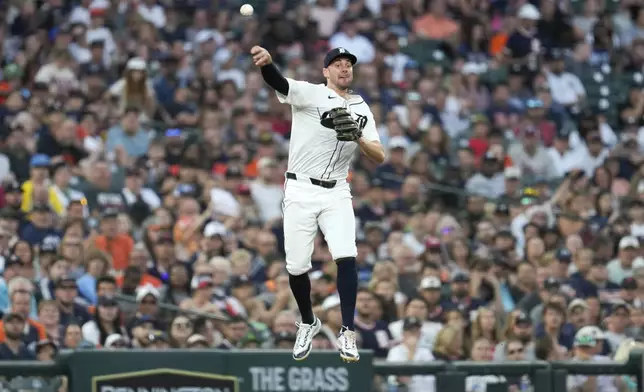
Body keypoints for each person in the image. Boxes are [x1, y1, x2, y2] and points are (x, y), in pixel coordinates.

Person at [251, 45, 385, 363]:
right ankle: (309, 322)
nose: (343, 68)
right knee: (297, 266)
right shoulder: (310, 94)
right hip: (299, 187)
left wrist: (359, 139)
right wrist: (266, 65)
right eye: (336, 64)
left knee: (346, 255)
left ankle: (347, 330)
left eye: (347, 64)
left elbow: (379, 155)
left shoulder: (361, 107)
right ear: (325, 71)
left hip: (337, 189)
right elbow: (279, 83)